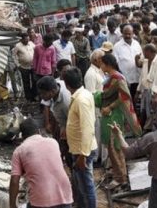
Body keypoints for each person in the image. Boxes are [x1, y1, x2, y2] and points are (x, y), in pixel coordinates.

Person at [94, 54, 142, 189]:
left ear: (108, 64)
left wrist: (110, 106)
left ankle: (121, 178)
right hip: (108, 114)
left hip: (114, 115)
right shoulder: (111, 76)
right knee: (111, 147)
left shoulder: (117, 78)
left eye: (101, 63)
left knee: (115, 147)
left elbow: (125, 96)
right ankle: (117, 173)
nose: (100, 66)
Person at [9, 118, 73, 208]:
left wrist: (12, 205)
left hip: (41, 199)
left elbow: (15, 181)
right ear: (39, 131)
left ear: (22, 135)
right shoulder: (53, 142)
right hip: (65, 195)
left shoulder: (19, 151)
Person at [63, 67, 98, 208]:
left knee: (86, 186)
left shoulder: (81, 100)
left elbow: (88, 128)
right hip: (79, 148)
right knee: (83, 185)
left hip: (82, 150)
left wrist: (83, 155)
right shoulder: (82, 95)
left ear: (66, 85)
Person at [113, 25, 143, 99]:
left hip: (137, 78)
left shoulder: (137, 44)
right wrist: (122, 78)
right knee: (125, 100)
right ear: (122, 34)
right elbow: (115, 64)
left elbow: (141, 59)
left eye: (129, 34)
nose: (127, 36)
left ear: (133, 34)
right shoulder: (117, 46)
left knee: (135, 100)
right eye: (125, 34)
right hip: (125, 80)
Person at [136, 44, 157, 131]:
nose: (143, 54)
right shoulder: (145, 61)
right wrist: (138, 91)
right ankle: (145, 128)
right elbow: (142, 77)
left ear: (151, 52)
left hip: (153, 91)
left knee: (152, 112)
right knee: (143, 111)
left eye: (145, 52)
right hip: (145, 90)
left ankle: (149, 129)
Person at [12, 33, 35, 101]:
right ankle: (28, 97)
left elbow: (36, 49)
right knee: (26, 82)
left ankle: (33, 96)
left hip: (33, 66)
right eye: (25, 40)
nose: (27, 41)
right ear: (21, 39)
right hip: (24, 67)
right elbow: (13, 55)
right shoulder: (17, 46)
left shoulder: (31, 43)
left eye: (28, 39)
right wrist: (18, 65)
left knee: (34, 81)